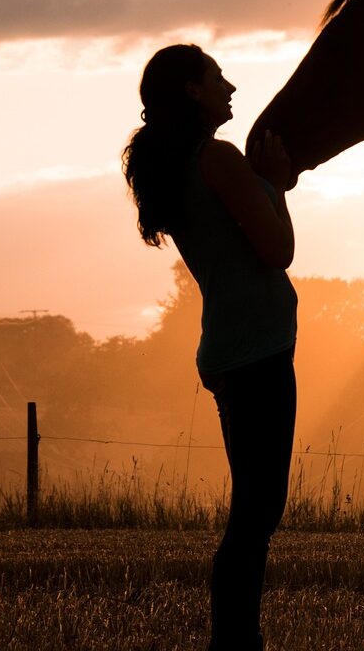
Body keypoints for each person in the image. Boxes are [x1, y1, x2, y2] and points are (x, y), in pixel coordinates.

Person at [122, 43, 298, 651]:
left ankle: (236, 637)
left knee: (255, 507)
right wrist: (276, 185)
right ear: (193, 91)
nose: (230, 86)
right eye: (217, 76)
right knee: (257, 510)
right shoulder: (218, 160)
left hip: (233, 350)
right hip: (257, 352)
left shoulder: (183, 165)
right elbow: (277, 251)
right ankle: (236, 639)